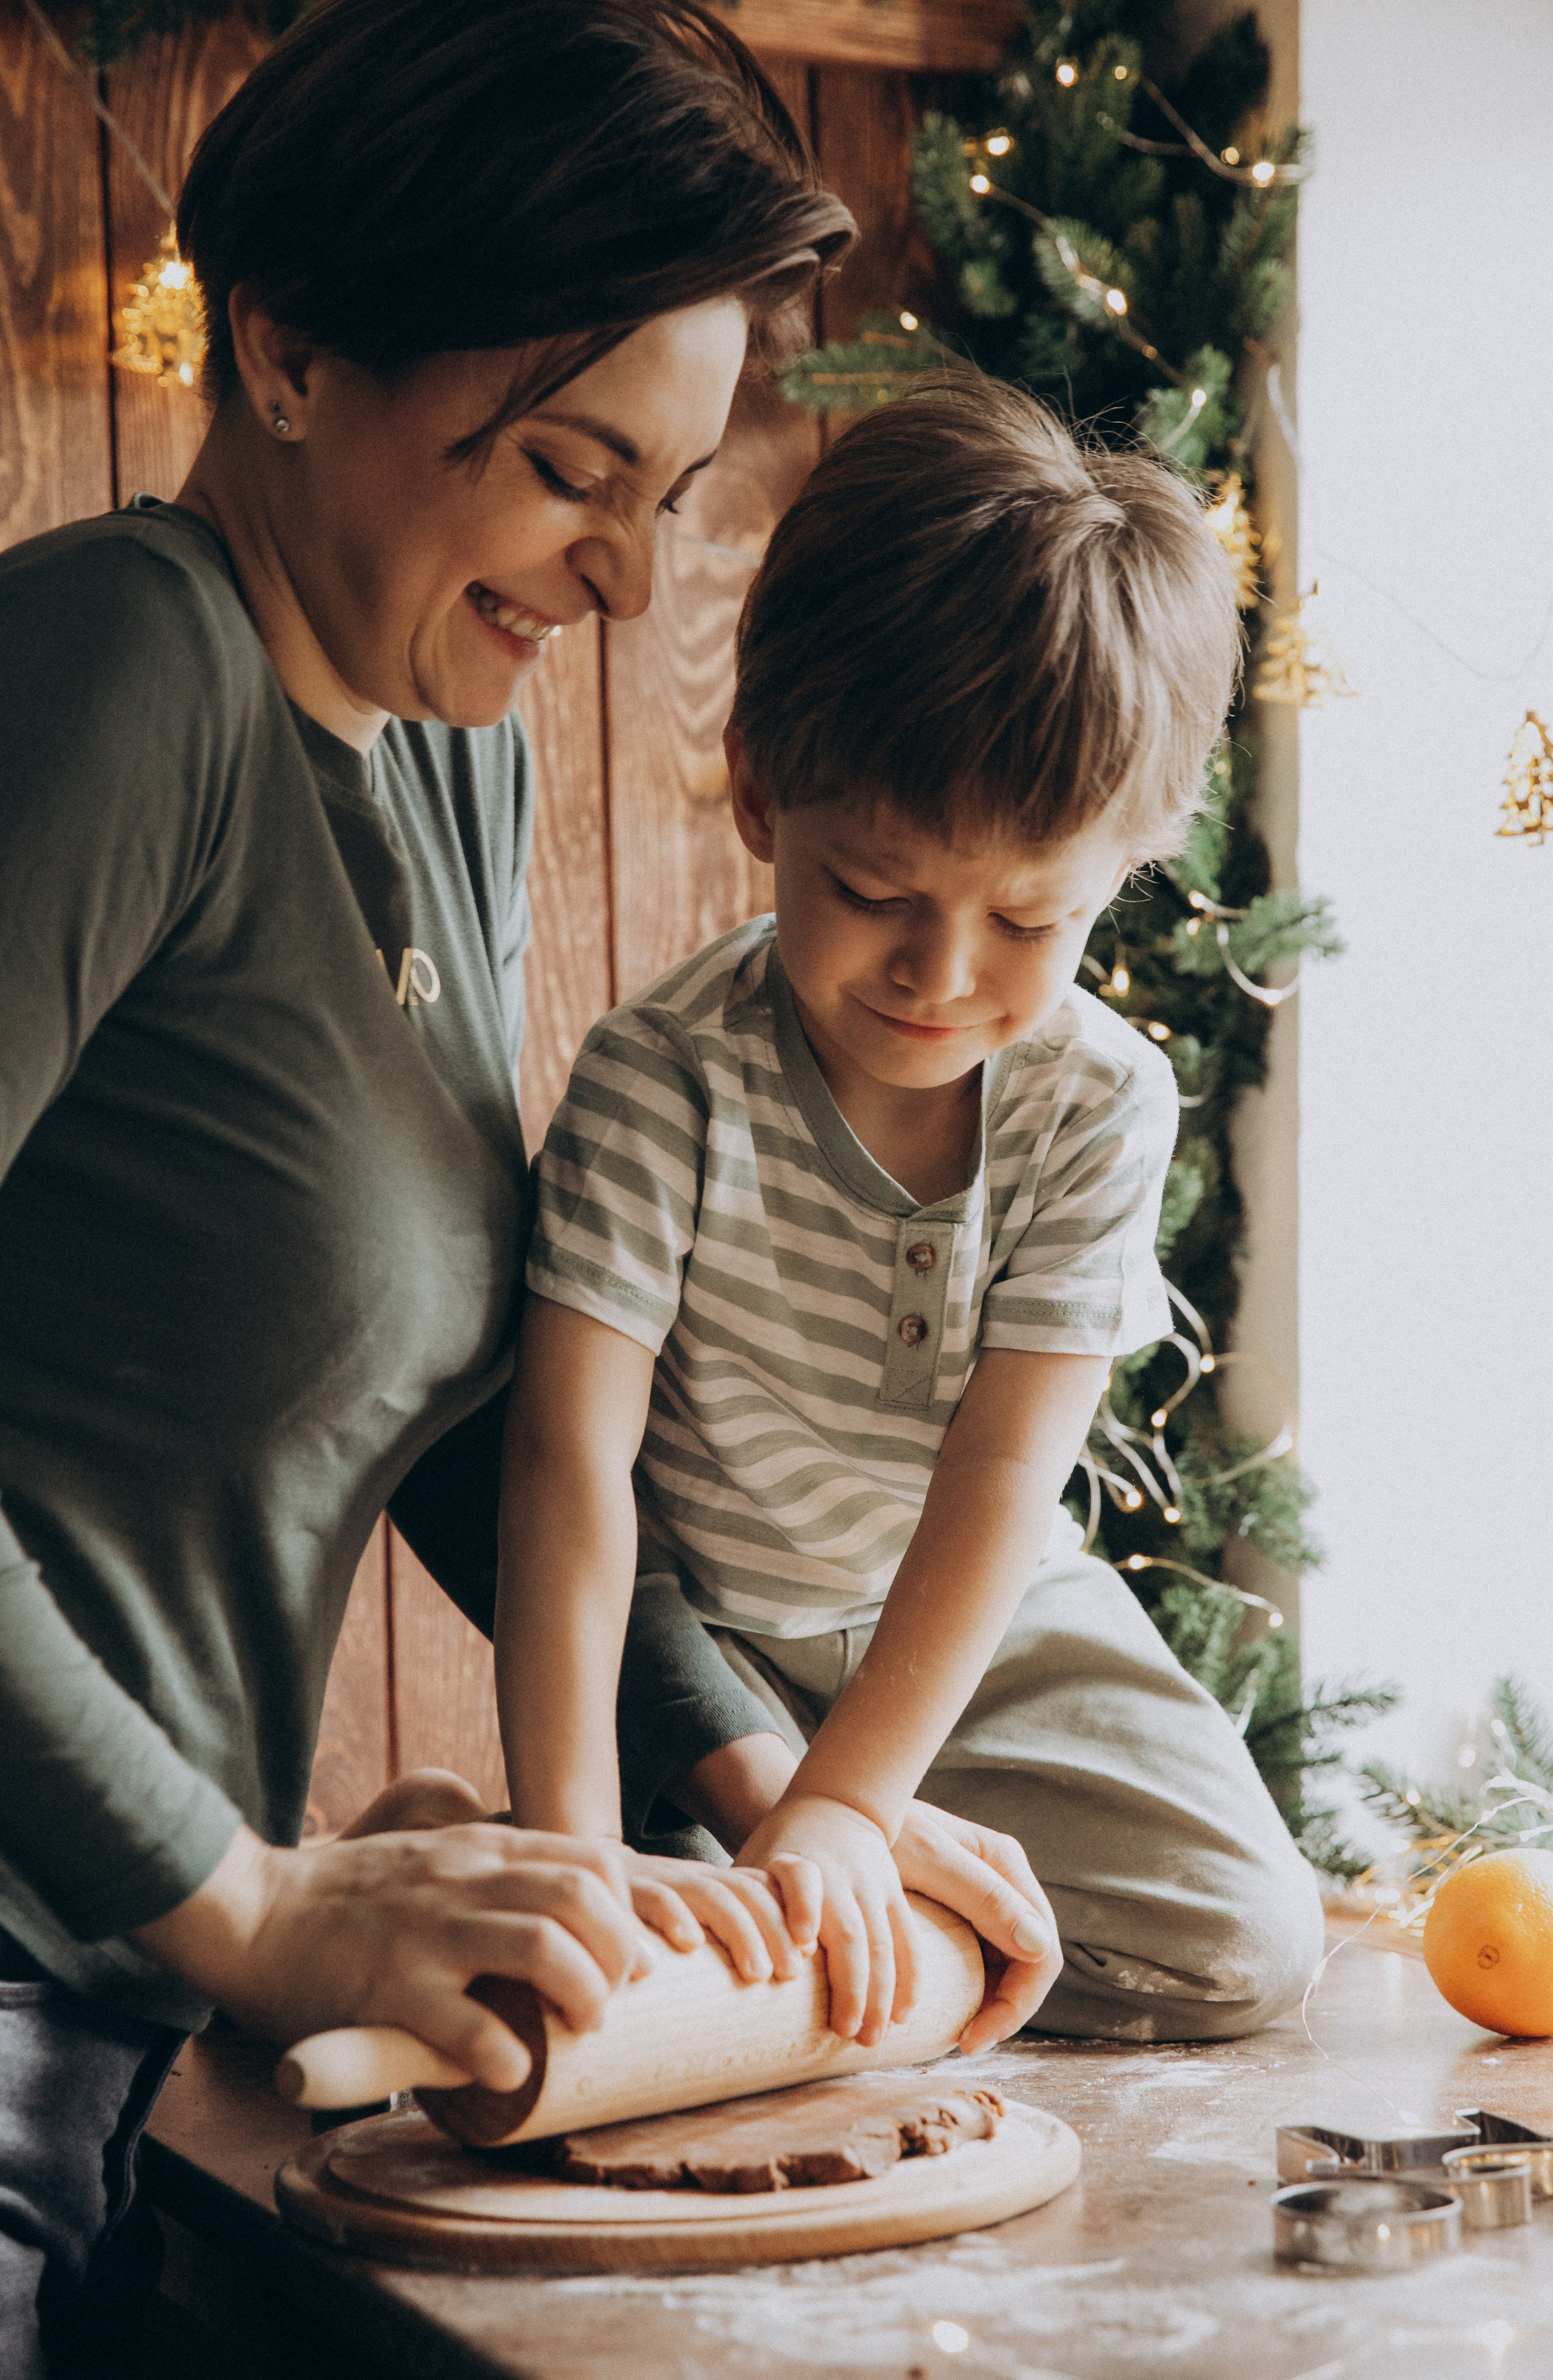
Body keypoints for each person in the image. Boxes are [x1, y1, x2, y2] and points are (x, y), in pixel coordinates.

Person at [0, 2, 863, 2368]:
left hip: (99, 2022)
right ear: (284, 354)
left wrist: (771, 1780)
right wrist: (256, 1905)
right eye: (574, 468)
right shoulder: (115, 680)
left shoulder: (428, 751)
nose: (617, 583)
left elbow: (486, 1392)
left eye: (665, 502)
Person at [498, 378, 1326, 2054]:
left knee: (1250, 1939)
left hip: (973, 1614)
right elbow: (568, 1471)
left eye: (1029, 918)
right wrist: (570, 1856)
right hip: (715, 1639)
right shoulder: (666, 1080)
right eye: (873, 890)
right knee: (630, 1919)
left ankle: (819, 1911)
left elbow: (1005, 1477)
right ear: (758, 795)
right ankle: (730, 1885)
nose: (941, 979)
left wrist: (851, 1809)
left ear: (1126, 872)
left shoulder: (1099, 1104)